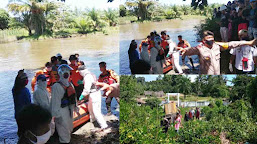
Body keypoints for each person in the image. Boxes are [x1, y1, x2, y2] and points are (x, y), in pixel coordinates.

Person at [179, 30, 257, 75]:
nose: (210, 40)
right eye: (208, 38)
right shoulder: (199, 48)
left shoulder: (217, 46)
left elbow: (231, 44)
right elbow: (190, 50)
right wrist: (185, 51)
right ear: (203, 40)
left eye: (211, 38)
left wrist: (249, 43)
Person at [50, 64, 77, 143]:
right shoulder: (69, 84)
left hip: (65, 111)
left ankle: (66, 141)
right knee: (66, 130)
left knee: (65, 130)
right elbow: (74, 99)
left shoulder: (58, 86)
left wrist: (54, 116)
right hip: (66, 111)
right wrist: (76, 107)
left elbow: (55, 102)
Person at [78, 65, 108, 131]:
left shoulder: (87, 77)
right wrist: (82, 82)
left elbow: (87, 89)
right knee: (90, 108)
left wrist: (82, 96)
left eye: (79, 72)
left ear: (82, 71)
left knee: (96, 110)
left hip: (94, 94)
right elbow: (91, 82)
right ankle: (93, 120)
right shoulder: (90, 74)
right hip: (93, 94)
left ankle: (104, 125)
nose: (79, 73)